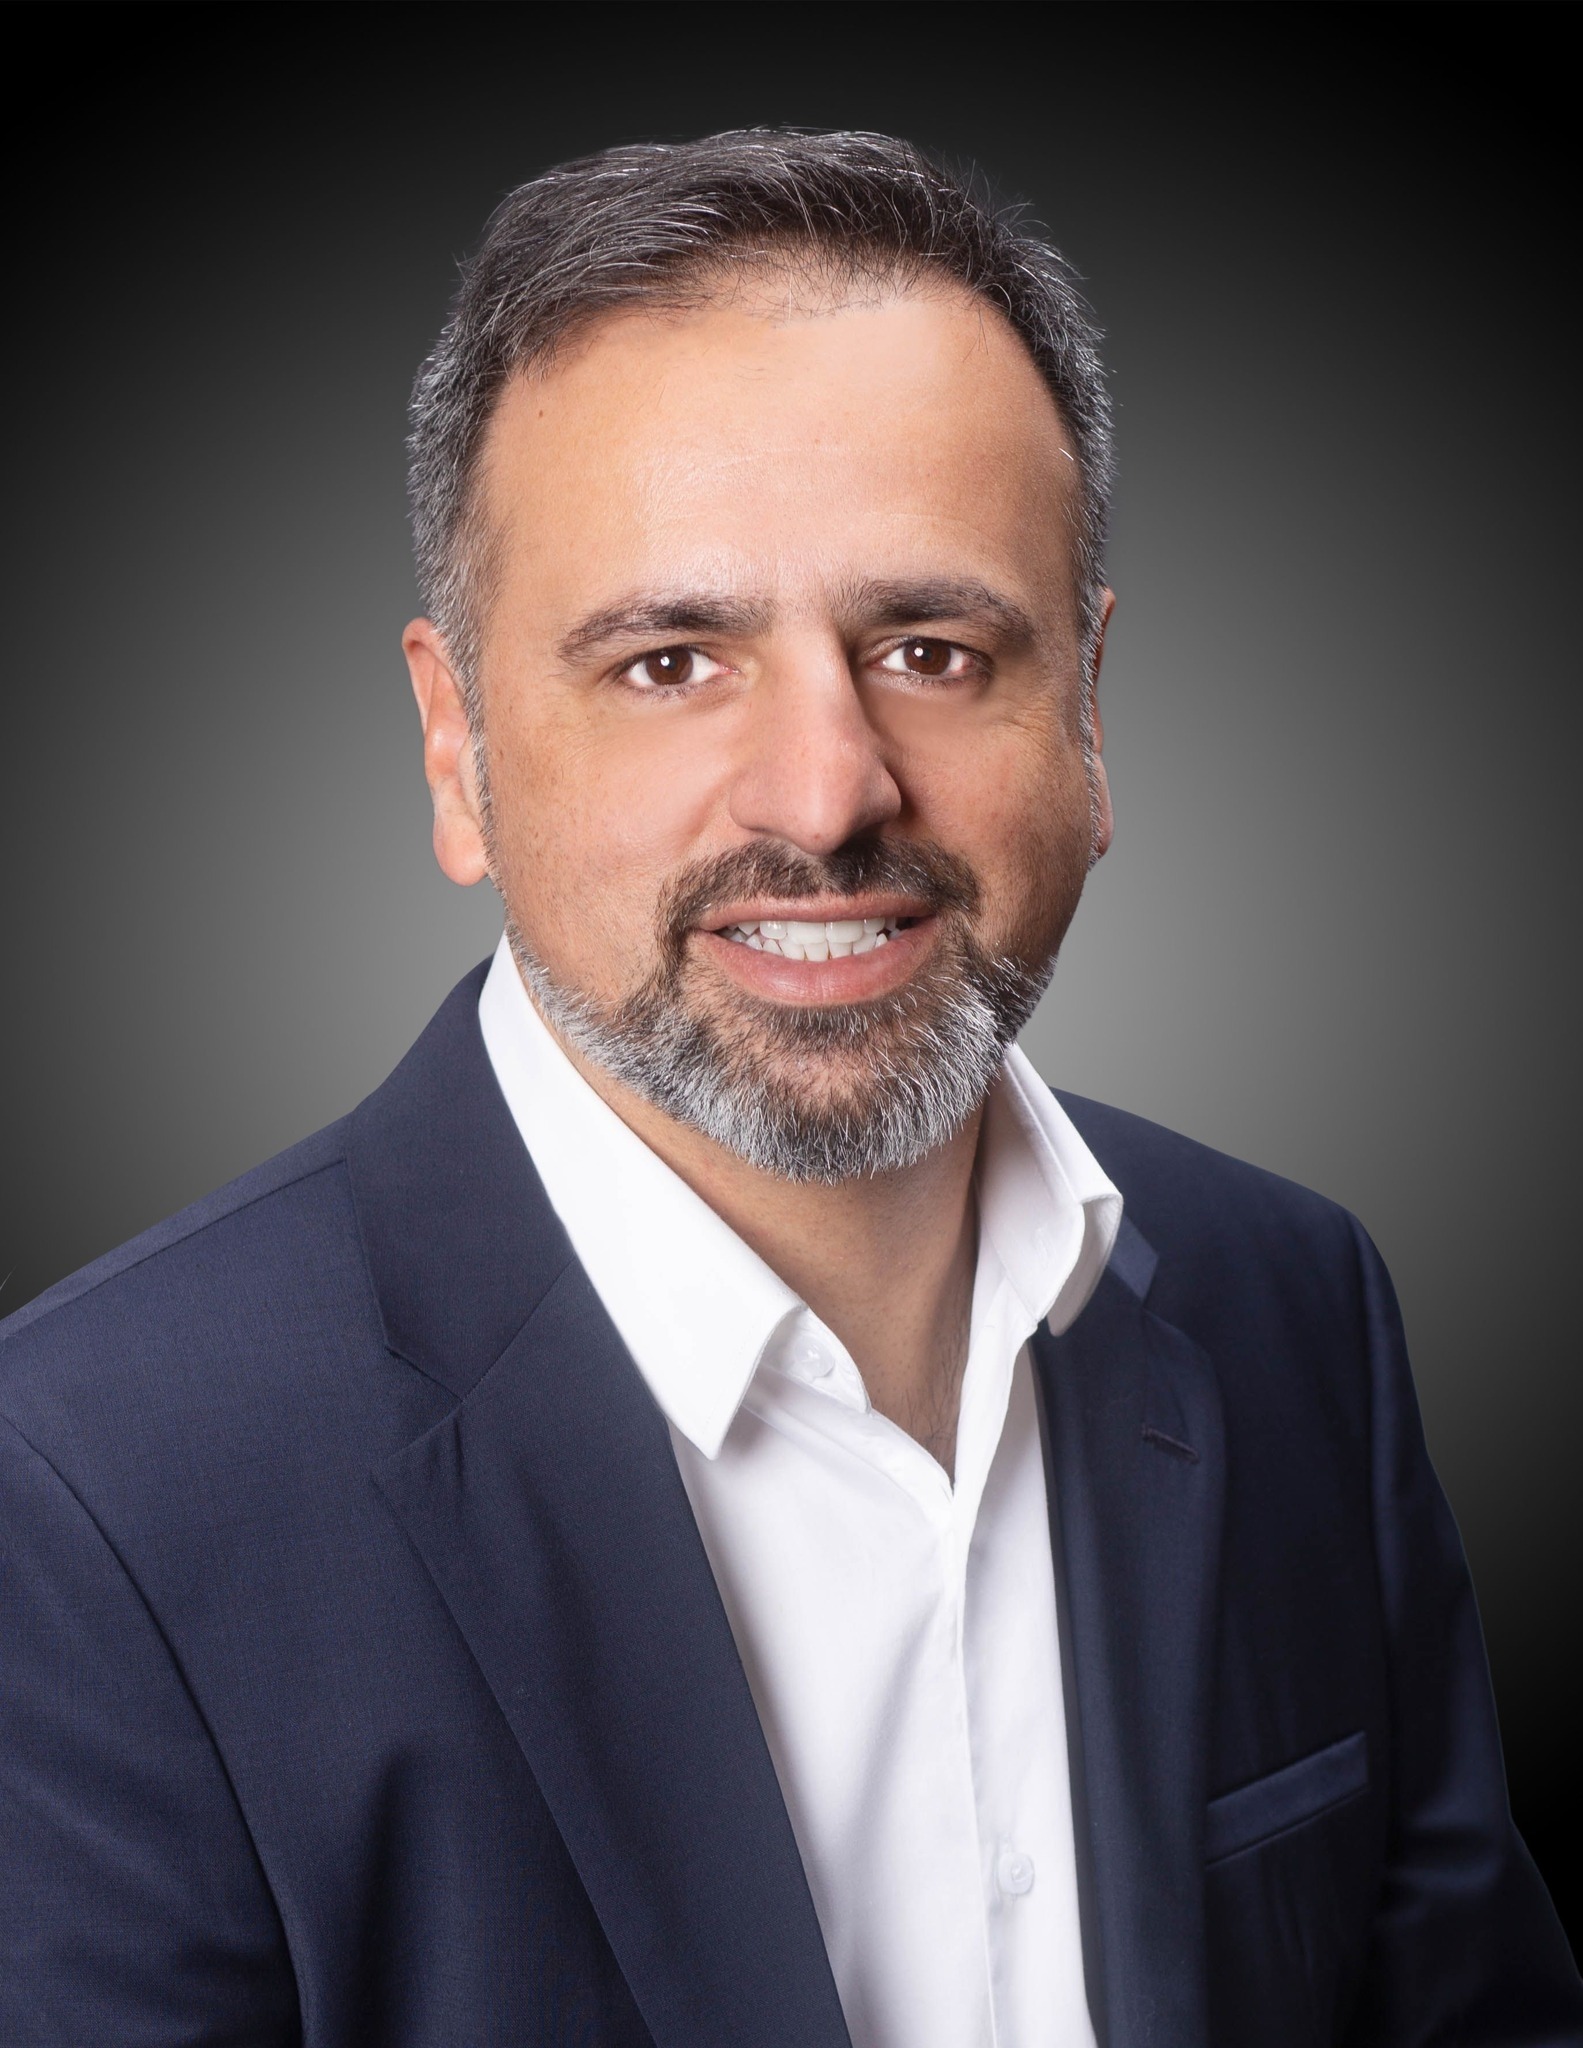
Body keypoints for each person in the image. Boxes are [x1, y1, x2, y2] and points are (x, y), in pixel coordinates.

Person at [1, 127, 1576, 2048]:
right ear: (456, 748)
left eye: (931, 648)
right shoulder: (82, 1497)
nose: (826, 795)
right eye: (672, 662)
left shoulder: (1296, 1303)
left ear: (1088, 711)